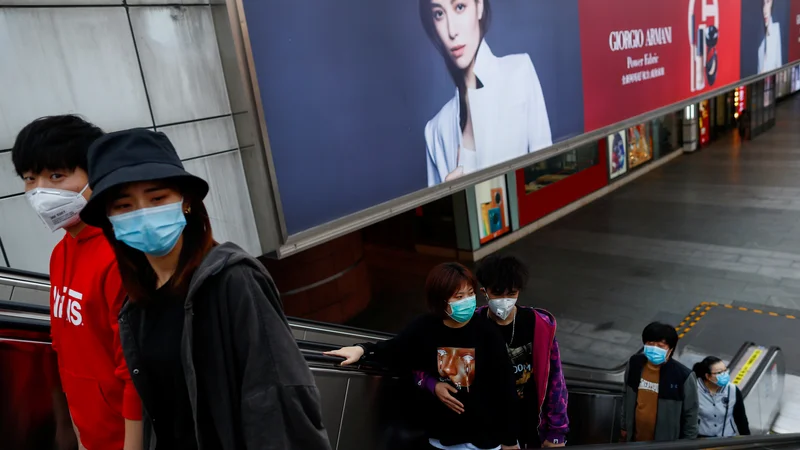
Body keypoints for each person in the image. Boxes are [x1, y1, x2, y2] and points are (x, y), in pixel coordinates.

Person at [78, 129, 330, 449]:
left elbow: (277, 394)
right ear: (110, 220)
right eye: (124, 206)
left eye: (157, 198)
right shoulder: (136, 301)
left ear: (185, 202)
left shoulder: (233, 280)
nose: (143, 214)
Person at [11, 115, 143, 450]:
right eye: (30, 178)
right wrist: (70, 424)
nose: (41, 190)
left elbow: (135, 371)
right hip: (88, 432)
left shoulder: (121, 256)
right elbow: (63, 347)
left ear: (95, 174)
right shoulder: (61, 253)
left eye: (56, 175)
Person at [325, 262, 520, 449]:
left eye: (470, 294)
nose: (467, 301)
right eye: (458, 296)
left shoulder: (487, 333)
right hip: (443, 436)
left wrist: (510, 439)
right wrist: (361, 349)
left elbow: (505, 387)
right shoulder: (424, 328)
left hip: (483, 439)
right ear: (440, 300)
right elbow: (395, 351)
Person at [414, 255, 568, 448]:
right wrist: (432, 383)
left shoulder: (539, 325)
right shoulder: (470, 325)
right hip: (489, 431)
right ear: (484, 291)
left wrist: (557, 431)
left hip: (531, 422)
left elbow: (555, 380)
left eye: (511, 293)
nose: (504, 300)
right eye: (497, 293)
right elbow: (452, 375)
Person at [421, 0, 552, 186]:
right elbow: (439, 214)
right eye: (439, 14)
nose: (451, 31)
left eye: (459, 7)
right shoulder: (435, 130)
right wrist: (448, 200)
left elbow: (546, 182)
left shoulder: (519, 73)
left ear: (479, 6)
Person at [620, 322, 698, 442]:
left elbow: (691, 414)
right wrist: (624, 425)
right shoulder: (634, 363)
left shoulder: (683, 376)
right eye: (650, 344)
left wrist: (687, 443)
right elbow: (626, 395)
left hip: (664, 443)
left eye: (661, 346)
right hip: (634, 438)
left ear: (670, 349)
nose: (654, 348)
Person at [693, 356, 750, 438]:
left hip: (726, 439)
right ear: (707, 376)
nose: (724, 375)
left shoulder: (733, 390)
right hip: (701, 440)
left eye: (725, 370)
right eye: (719, 373)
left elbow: (741, 419)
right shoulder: (694, 389)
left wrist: (747, 440)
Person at [758, 0, 782, 74]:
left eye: (768, 2)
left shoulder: (776, 29)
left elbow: (779, 63)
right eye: (764, 4)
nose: (765, 9)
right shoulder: (761, 43)